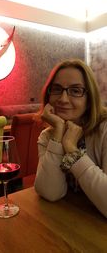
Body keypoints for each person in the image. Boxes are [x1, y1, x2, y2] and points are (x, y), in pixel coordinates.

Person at [34, 58, 107, 218]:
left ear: (89, 99)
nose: (63, 99)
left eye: (75, 91)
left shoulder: (104, 129)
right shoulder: (47, 136)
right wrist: (59, 135)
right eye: (57, 89)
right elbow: (50, 193)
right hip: (72, 220)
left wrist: (72, 150)